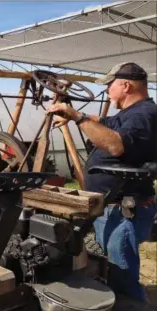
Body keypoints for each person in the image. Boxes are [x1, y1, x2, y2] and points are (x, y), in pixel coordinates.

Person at [47, 62, 157, 301]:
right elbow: (109, 123)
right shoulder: (132, 113)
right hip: (112, 207)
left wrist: (77, 117)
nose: (107, 91)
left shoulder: (143, 114)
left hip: (124, 210)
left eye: (110, 85)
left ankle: (134, 306)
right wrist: (82, 116)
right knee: (114, 268)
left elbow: (115, 144)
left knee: (123, 277)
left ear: (125, 85)